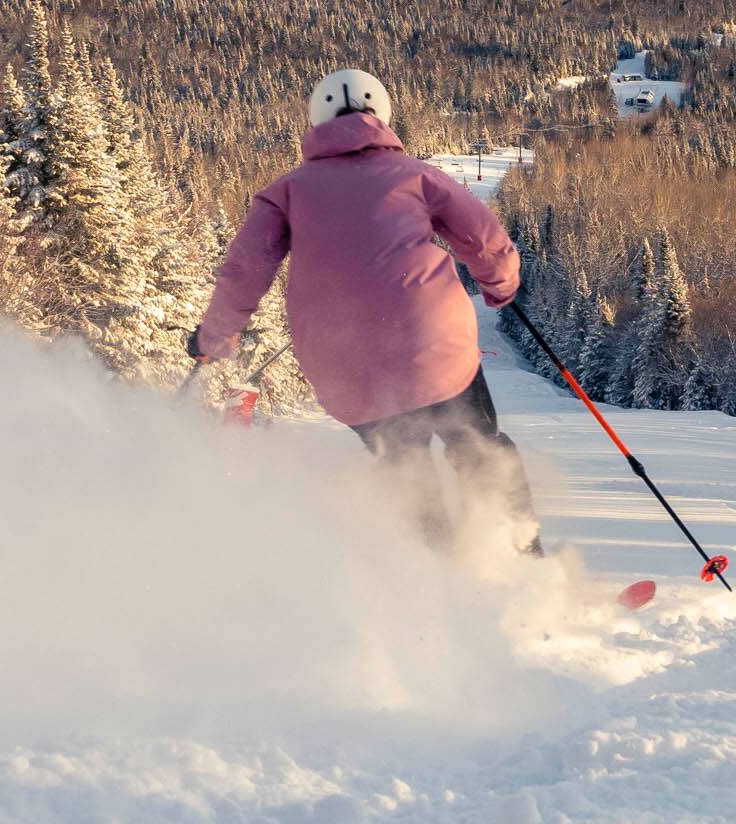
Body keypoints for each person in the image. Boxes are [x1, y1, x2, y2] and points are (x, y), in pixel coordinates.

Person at [187, 68, 543, 554]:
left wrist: (214, 339)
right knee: (477, 447)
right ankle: (521, 565)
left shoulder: (285, 192)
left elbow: (243, 271)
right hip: (432, 344)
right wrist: (500, 287)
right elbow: (485, 240)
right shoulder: (417, 175)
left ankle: (447, 581)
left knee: (404, 468)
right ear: (382, 115)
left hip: (346, 365)